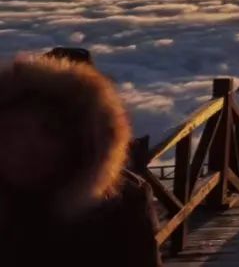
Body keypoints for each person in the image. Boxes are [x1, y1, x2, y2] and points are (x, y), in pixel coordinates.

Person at [0, 55, 161, 266]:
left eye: (49, 132)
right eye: (14, 131)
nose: (28, 147)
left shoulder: (120, 205)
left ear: (79, 141)